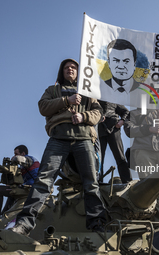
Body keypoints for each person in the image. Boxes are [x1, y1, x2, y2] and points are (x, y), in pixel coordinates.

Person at [10, 59, 107, 236]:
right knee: (43, 181)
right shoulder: (52, 90)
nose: (70, 69)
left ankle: (97, 222)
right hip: (59, 138)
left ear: (79, 72)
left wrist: (84, 116)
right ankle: (24, 224)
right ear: (61, 72)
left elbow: (98, 113)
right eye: (66, 67)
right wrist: (66, 100)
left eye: (73, 67)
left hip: (84, 138)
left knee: (91, 182)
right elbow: (43, 107)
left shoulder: (87, 92)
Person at [0, 145, 39, 226]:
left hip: (31, 189)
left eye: (16, 153)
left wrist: (14, 160)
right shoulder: (23, 168)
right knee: (11, 192)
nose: (14, 156)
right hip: (25, 189)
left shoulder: (30, 159)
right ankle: (1, 216)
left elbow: (20, 159)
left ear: (23, 153)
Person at [98, 101, 131, 183]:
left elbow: (126, 111)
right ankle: (98, 182)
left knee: (120, 157)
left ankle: (127, 181)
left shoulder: (113, 99)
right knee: (99, 159)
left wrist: (122, 121)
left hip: (113, 129)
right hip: (99, 130)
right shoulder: (94, 98)